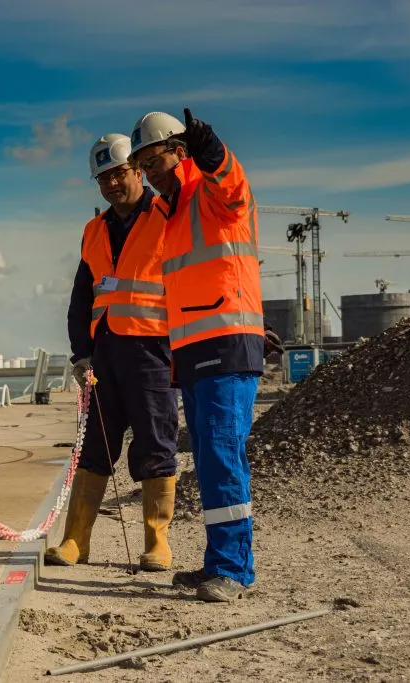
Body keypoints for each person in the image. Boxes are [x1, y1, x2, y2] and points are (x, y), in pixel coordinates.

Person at [126, 108, 269, 602]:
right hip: (195, 348)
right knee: (209, 458)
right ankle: (219, 564)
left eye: (153, 159)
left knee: (223, 452)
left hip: (226, 341)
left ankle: (233, 569)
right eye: (141, 164)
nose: (147, 172)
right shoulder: (172, 211)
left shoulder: (208, 192)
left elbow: (232, 184)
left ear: (180, 151)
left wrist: (213, 150)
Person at [45, 133, 180, 572]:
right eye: (103, 179)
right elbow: (80, 299)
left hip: (152, 350)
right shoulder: (94, 230)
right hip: (104, 355)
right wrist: (81, 354)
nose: (111, 185)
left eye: (118, 174)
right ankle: (75, 541)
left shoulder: (167, 216)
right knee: (93, 449)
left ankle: (157, 543)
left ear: (138, 171)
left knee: (156, 443)